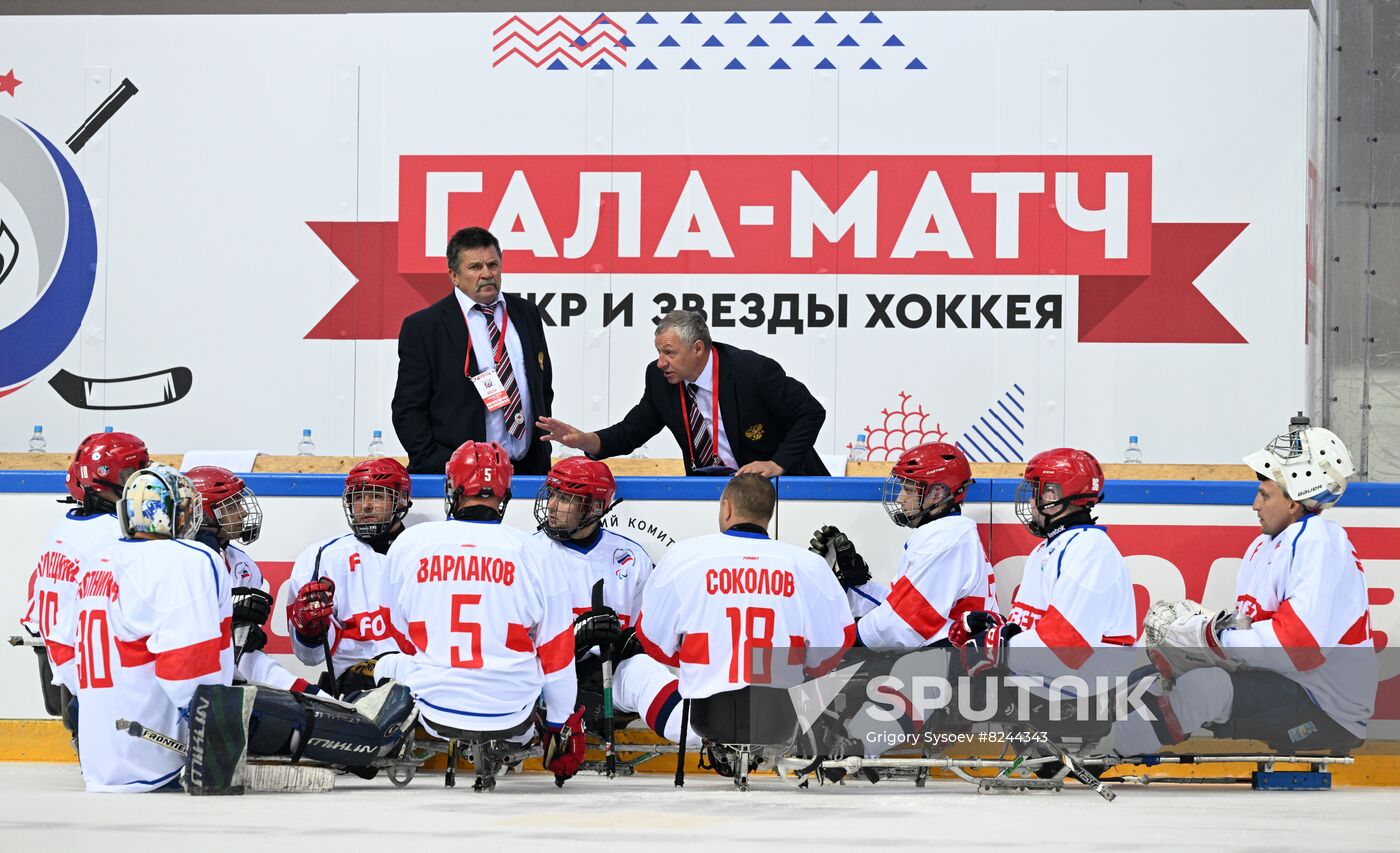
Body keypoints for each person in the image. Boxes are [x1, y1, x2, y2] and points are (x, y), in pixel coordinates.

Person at [1115, 425, 1376, 755]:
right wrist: (1210, 636)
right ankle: (1103, 741)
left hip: (1326, 707)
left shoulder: (1320, 542)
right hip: (1289, 684)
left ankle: (1114, 753)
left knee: (1203, 687)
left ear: (1295, 502)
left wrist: (1212, 640)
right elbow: (1252, 631)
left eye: (1265, 495)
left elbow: (1299, 649)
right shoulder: (1263, 545)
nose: (1255, 505)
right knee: (1146, 677)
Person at [340, 441, 586, 784]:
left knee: (383, 663)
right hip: (511, 711)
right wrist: (561, 725)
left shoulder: (411, 544)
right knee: (537, 657)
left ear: (452, 488)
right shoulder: (537, 551)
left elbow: (398, 631)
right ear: (505, 492)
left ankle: (350, 697)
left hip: (432, 707)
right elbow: (558, 655)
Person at [51, 465, 232, 792]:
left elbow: (62, 651)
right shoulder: (186, 559)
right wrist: (217, 744)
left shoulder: (97, 563)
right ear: (176, 513)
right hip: (160, 765)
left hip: (99, 767)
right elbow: (187, 668)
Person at [636, 474, 855, 699]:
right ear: (769, 513)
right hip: (782, 716)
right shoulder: (809, 565)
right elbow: (834, 647)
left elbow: (652, 638)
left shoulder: (682, 557)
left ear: (726, 508)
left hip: (705, 715)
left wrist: (693, 665)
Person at [531, 457, 699, 747]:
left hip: (608, 676)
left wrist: (632, 641)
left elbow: (651, 631)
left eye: (567, 498)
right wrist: (573, 641)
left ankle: (706, 736)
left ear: (595, 508)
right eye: (553, 494)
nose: (553, 506)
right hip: (545, 676)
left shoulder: (630, 557)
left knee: (646, 673)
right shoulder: (529, 554)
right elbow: (511, 640)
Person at [537, 309, 828, 476]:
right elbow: (632, 431)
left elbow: (811, 412)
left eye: (669, 352)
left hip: (784, 486)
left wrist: (777, 463)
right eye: (658, 352)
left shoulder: (751, 371)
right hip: (712, 492)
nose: (661, 361)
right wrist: (587, 440)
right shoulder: (660, 378)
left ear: (698, 349)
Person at [960, 448, 1136, 682]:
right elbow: (1039, 628)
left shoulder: (1091, 550)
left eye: (1036, 491)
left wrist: (996, 648)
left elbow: (1063, 650)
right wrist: (997, 628)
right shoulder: (1048, 549)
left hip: (1086, 698)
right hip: (1056, 687)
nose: (1031, 502)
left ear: (1053, 495)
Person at [392, 226, 554, 475]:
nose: (487, 274)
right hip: (460, 474)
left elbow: (542, 389)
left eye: (493, 264)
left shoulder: (527, 313)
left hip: (527, 470)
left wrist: (542, 451)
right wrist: (439, 463)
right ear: (454, 275)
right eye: (475, 267)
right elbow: (408, 408)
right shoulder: (425, 326)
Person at [22, 431, 149, 737]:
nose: (141, 482)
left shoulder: (63, 528)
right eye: (133, 472)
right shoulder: (114, 534)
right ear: (105, 479)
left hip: (61, 659)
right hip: (95, 672)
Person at [811, 442, 997, 649]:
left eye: (908, 489)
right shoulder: (950, 533)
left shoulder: (945, 540)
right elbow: (900, 610)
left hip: (951, 666)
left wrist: (847, 636)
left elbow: (904, 625)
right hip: (949, 655)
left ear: (937, 494)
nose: (900, 498)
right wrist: (857, 582)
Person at [283, 458, 417, 686]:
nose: (365, 505)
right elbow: (309, 657)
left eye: (376, 496)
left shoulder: (423, 553)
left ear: (401, 500)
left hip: (416, 681)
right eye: (357, 497)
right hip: (355, 685)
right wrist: (311, 632)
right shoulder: (321, 556)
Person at [185, 466, 312, 693]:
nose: (243, 513)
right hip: (183, 672)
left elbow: (241, 653)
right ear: (204, 512)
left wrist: (242, 633)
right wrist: (229, 610)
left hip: (227, 670)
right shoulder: (176, 560)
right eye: (233, 505)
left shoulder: (243, 564)